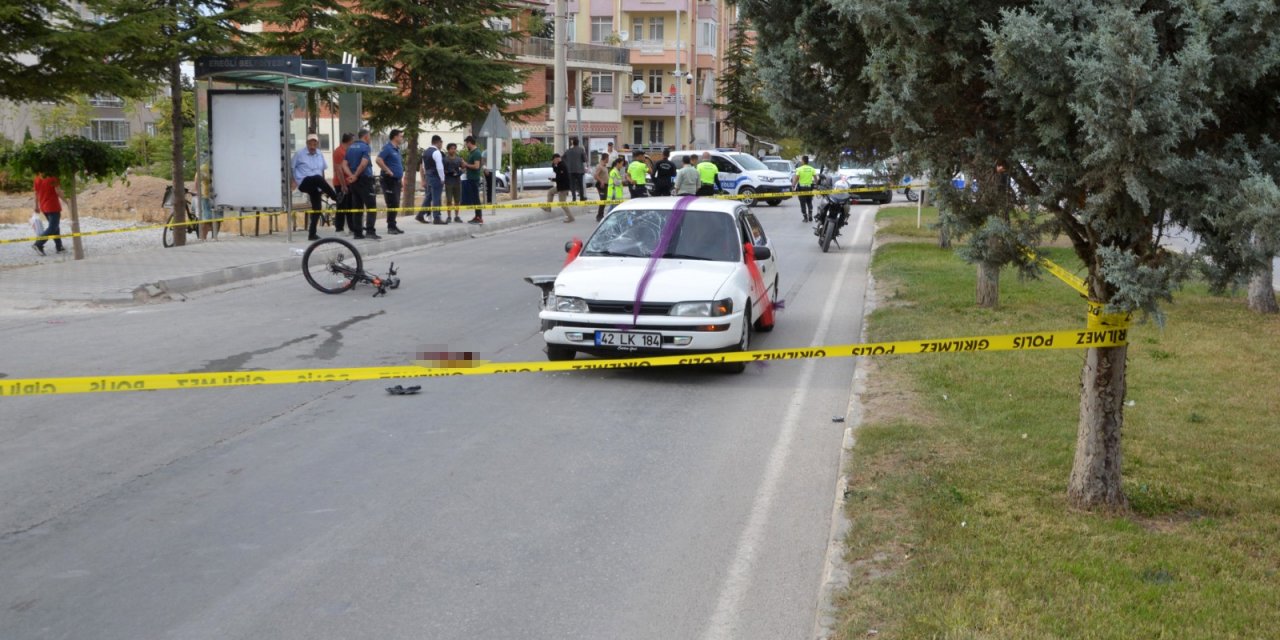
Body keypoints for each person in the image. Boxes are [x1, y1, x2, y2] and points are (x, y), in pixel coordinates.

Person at [292, 133, 341, 241]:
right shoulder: (299, 154)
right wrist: (293, 181)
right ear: (307, 144)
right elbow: (291, 167)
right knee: (317, 178)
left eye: (314, 144)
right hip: (304, 181)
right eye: (310, 144)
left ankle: (312, 234)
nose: (312, 146)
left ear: (317, 144)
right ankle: (336, 197)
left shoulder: (319, 154)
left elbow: (322, 170)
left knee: (317, 209)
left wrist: (323, 187)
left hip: (317, 185)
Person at [345, 128, 377, 239]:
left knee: (357, 207)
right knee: (371, 206)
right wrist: (356, 176)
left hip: (354, 183)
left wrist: (351, 176)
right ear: (366, 136)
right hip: (364, 180)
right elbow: (364, 164)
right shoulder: (365, 147)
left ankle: (357, 233)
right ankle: (370, 231)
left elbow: (344, 164)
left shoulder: (350, 148)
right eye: (370, 137)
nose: (370, 139)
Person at [376, 129, 405, 234]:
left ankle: (393, 224)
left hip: (396, 180)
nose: (402, 138)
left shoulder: (397, 149)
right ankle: (390, 227)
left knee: (396, 203)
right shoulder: (388, 148)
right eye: (401, 136)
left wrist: (400, 179)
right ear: (395, 137)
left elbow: (397, 165)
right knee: (392, 203)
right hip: (388, 180)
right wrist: (387, 170)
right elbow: (378, 160)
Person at [31, 173, 67, 255]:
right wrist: (67, 202)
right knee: (53, 227)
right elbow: (58, 191)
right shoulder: (53, 177)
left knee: (55, 227)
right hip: (53, 206)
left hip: (43, 206)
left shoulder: (37, 177)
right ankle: (38, 244)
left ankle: (59, 247)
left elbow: (36, 193)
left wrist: (36, 206)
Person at [419, 134, 446, 224]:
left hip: (428, 176)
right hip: (436, 176)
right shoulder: (436, 152)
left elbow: (423, 166)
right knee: (436, 198)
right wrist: (442, 178)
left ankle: (420, 215)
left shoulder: (425, 152)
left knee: (428, 197)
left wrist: (425, 178)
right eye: (441, 142)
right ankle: (436, 217)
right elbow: (440, 167)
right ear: (438, 142)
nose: (441, 144)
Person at [331, 133, 353, 233]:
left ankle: (352, 227)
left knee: (349, 206)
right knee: (341, 206)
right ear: (349, 141)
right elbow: (339, 170)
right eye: (352, 140)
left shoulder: (347, 151)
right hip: (340, 183)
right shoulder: (339, 152)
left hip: (348, 182)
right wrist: (343, 185)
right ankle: (339, 228)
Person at [462, 135, 485, 224]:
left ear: (470, 143)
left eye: (466, 143)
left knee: (476, 199)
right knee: (474, 198)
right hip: (470, 178)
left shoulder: (476, 153)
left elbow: (476, 166)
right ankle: (477, 216)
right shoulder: (472, 152)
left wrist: (466, 164)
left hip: (474, 179)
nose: (466, 145)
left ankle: (479, 217)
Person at [793, 155, 818, 222]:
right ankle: (810, 215)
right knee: (809, 202)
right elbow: (816, 179)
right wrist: (817, 185)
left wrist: (793, 185)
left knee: (802, 203)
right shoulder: (812, 169)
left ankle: (805, 217)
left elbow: (796, 178)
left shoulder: (799, 169)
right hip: (809, 188)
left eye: (801, 160)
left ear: (803, 161)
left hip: (801, 188)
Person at [563, 136, 588, 202]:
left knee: (572, 185)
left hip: (570, 170)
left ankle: (574, 198)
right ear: (578, 143)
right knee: (580, 184)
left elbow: (563, 158)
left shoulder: (568, 151)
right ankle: (582, 198)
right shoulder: (581, 150)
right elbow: (585, 160)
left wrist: (568, 164)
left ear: (572, 143)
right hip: (579, 170)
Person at [443, 143, 463, 223]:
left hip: (457, 181)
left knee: (457, 200)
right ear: (448, 150)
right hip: (448, 181)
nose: (453, 150)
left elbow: (463, 167)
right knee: (449, 200)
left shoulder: (458, 159)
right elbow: (442, 170)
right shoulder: (445, 159)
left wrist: (460, 172)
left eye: (454, 148)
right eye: (451, 148)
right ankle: (449, 216)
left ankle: (457, 216)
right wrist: (448, 172)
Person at [592, 153, 611, 221]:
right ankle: (599, 216)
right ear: (605, 158)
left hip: (606, 185)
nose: (608, 160)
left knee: (604, 200)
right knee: (603, 200)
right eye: (608, 158)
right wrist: (601, 181)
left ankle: (601, 215)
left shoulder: (604, 166)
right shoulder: (600, 166)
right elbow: (595, 176)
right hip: (601, 185)